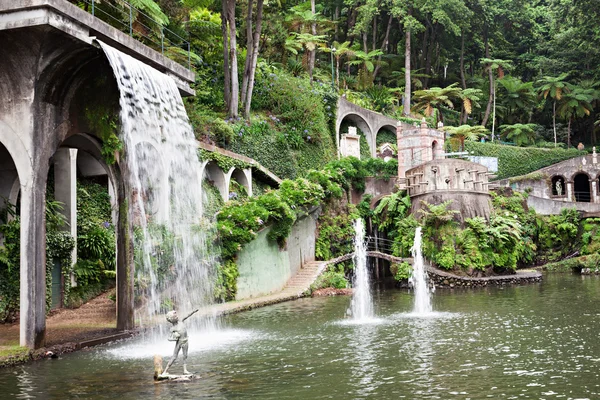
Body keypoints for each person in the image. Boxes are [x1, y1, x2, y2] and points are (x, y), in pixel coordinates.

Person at [162, 309, 198, 375]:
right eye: (175, 317)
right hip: (179, 343)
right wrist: (175, 338)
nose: (177, 317)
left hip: (185, 341)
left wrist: (193, 311)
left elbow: (187, 315)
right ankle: (165, 371)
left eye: (176, 316)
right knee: (174, 357)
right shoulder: (173, 328)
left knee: (185, 356)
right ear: (172, 319)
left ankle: (185, 370)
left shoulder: (181, 321)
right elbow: (169, 338)